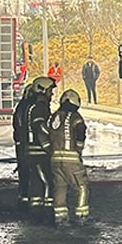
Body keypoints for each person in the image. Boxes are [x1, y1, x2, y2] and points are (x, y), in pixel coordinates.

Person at [47, 89, 89, 227]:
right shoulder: (75, 117)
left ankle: (60, 218)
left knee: (59, 187)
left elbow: (45, 131)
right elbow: (81, 132)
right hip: (71, 160)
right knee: (81, 187)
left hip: (54, 160)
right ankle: (82, 216)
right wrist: (79, 149)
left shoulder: (54, 117)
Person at [27, 76, 56, 222]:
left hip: (34, 150)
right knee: (47, 180)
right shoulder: (40, 108)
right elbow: (40, 127)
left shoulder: (35, 106)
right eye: (50, 91)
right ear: (43, 90)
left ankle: (36, 208)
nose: (52, 94)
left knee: (37, 181)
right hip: (39, 151)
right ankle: (46, 211)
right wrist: (53, 133)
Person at [12, 82, 33, 210]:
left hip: (22, 143)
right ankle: (27, 195)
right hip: (27, 145)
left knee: (24, 169)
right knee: (29, 169)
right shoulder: (30, 107)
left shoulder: (22, 107)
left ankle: (24, 194)